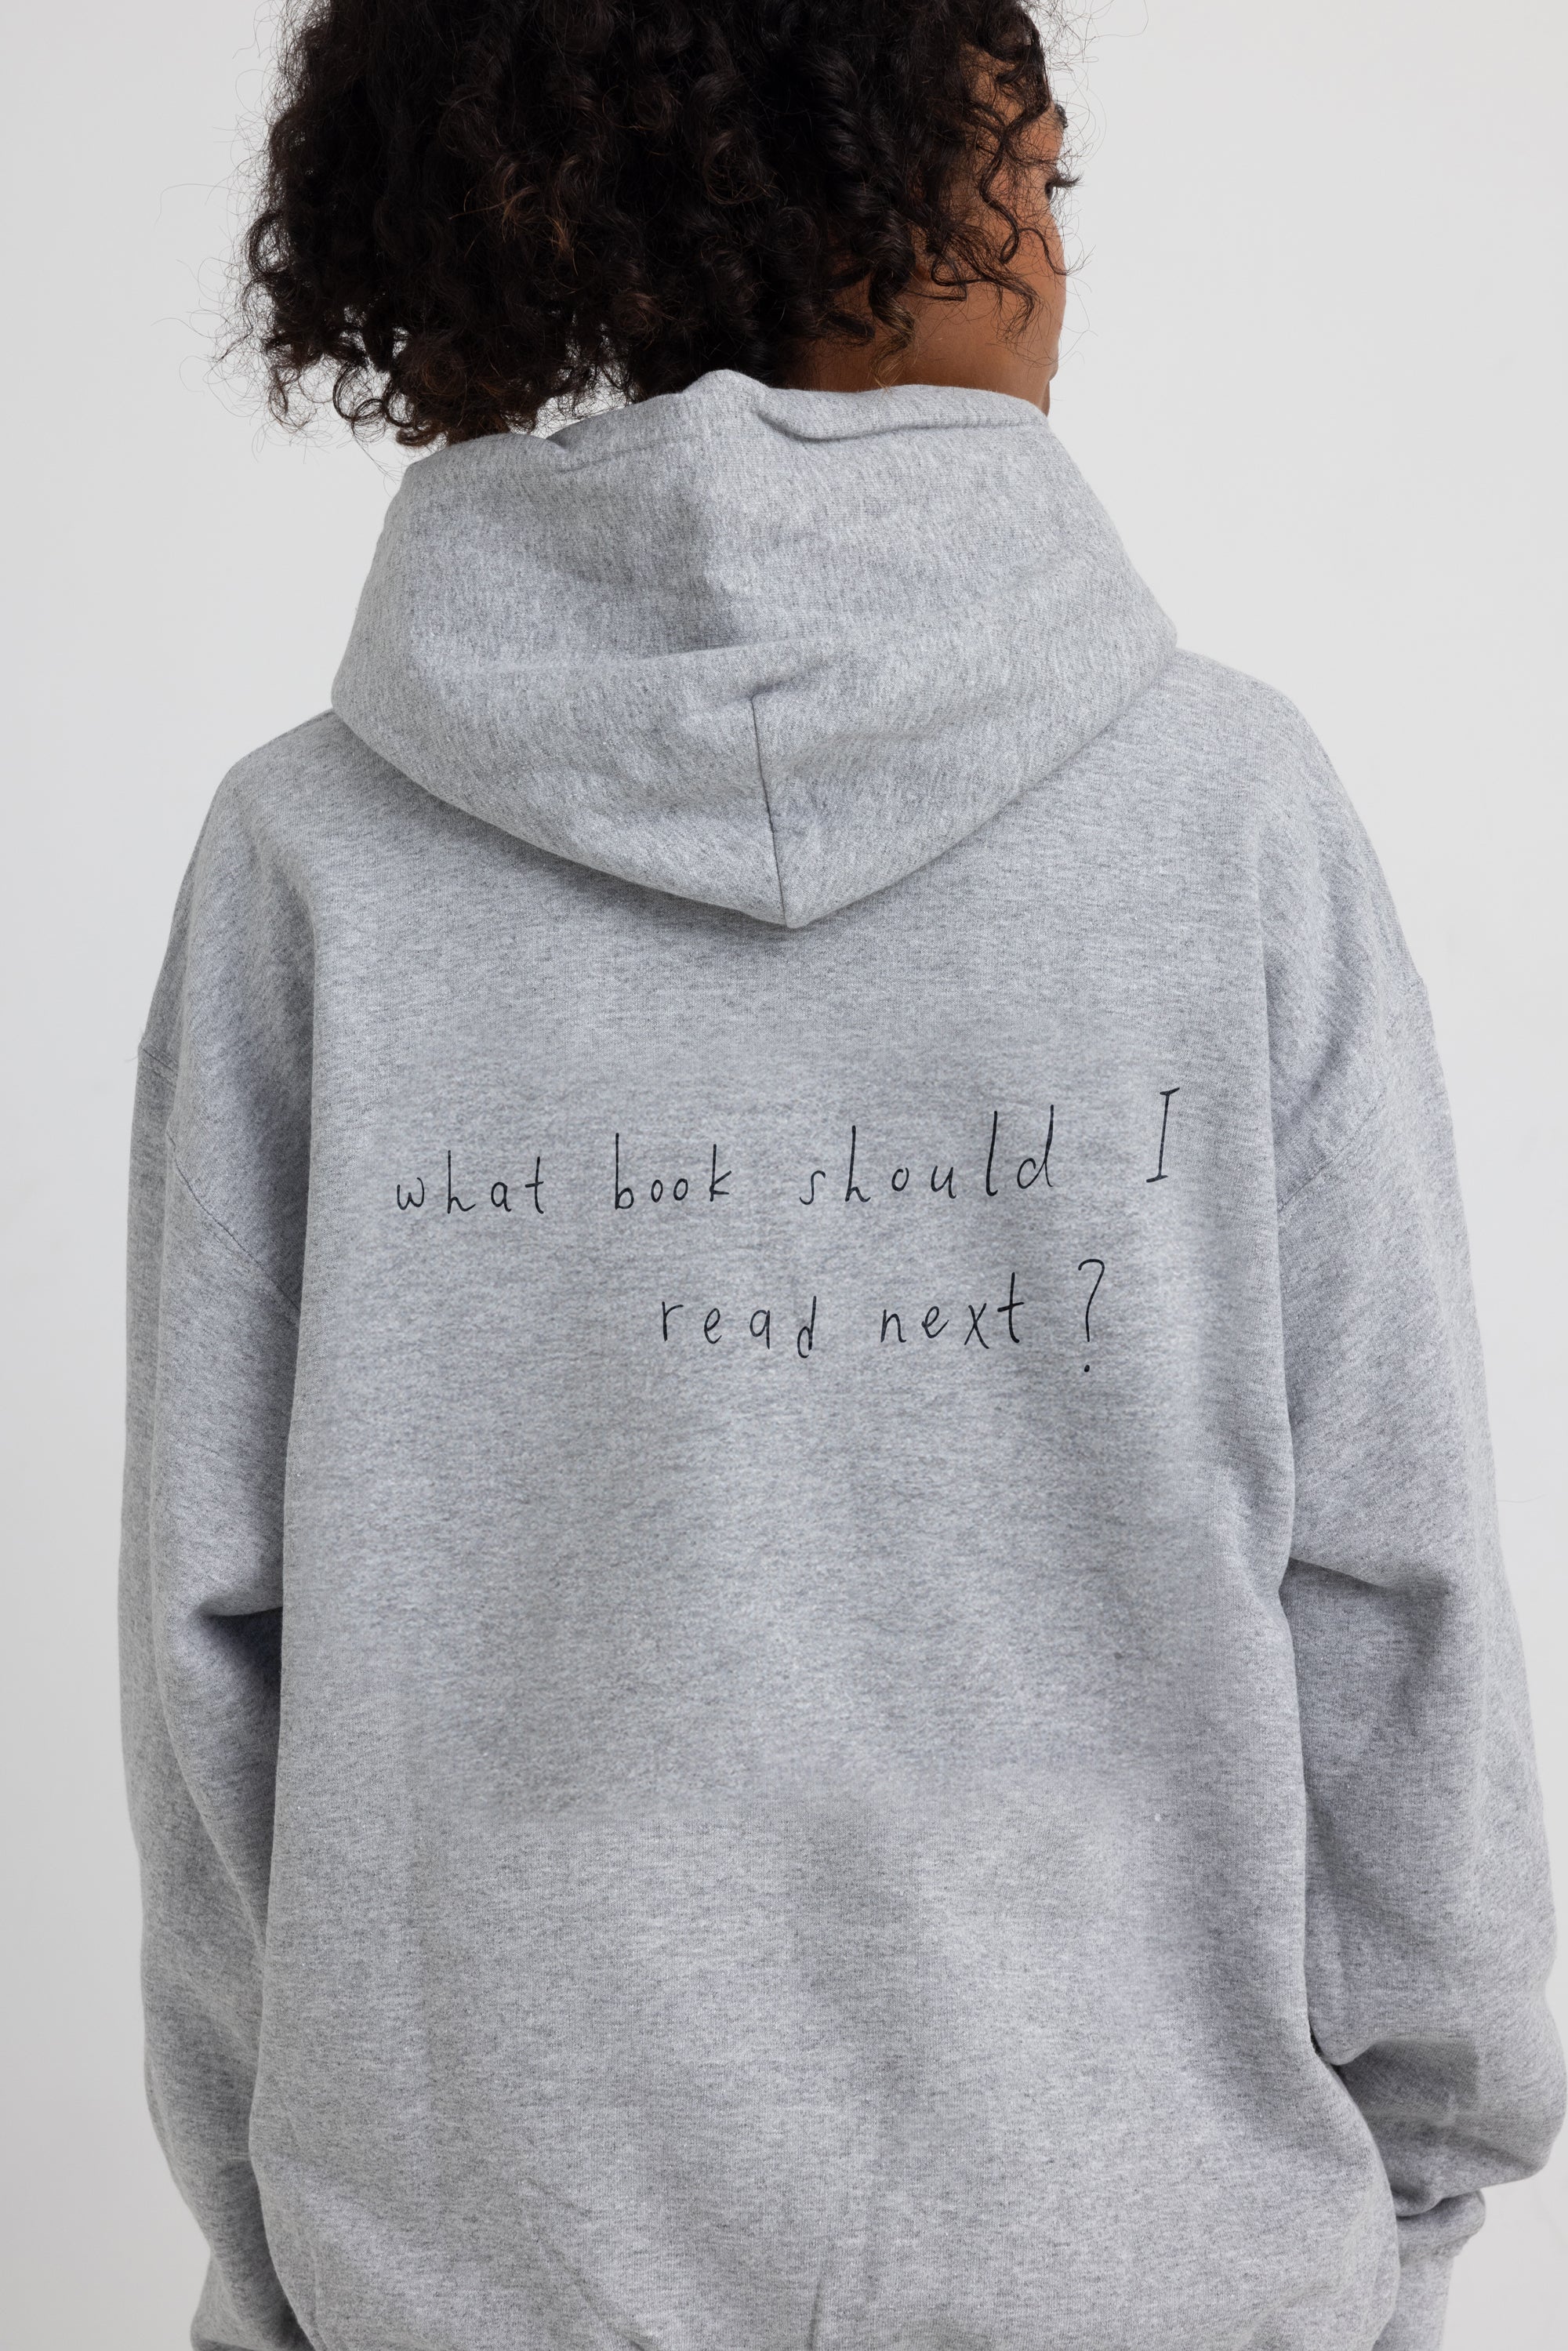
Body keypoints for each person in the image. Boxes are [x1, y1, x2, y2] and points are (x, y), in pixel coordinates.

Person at [121, 5, 1563, 2349]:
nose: (1061, 259)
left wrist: (299, 2254)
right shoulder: (1225, 819)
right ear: (850, 198)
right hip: (1158, 2275)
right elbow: (1392, 1587)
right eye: (1035, 181)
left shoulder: (311, 862)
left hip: (483, 2276)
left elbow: (211, 1662)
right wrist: (1402, 2191)